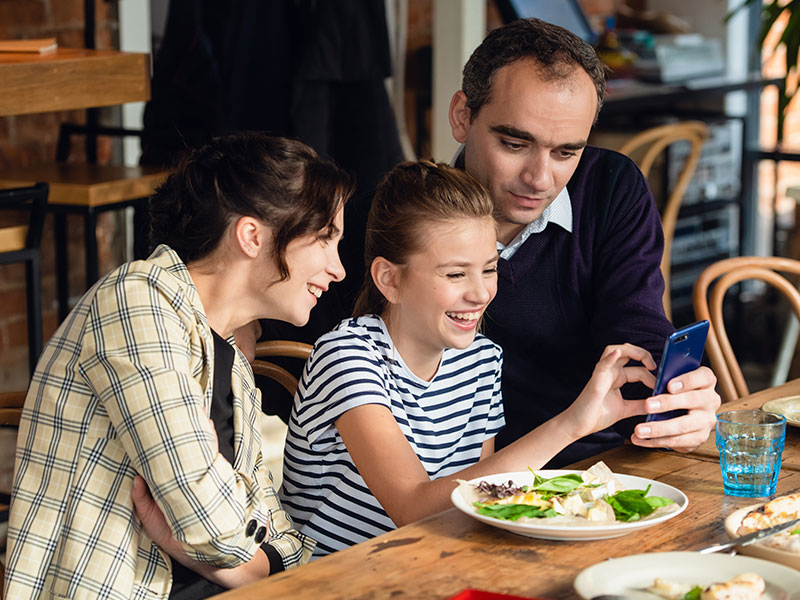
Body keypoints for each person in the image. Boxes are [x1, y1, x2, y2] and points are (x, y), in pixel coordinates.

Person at [4, 133, 354, 600]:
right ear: (252, 236)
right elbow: (208, 519)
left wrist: (224, 554)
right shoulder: (135, 300)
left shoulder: (232, 366)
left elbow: (285, 545)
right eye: (326, 240)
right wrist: (228, 543)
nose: (338, 269)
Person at [279, 160, 658, 556]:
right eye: (456, 275)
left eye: (489, 269)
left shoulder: (480, 358)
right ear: (389, 280)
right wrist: (572, 424)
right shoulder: (347, 356)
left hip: (431, 565)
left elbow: (484, 498)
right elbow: (413, 507)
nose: (480, 293)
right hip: (330, 580)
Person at [447, 18, 720, 466]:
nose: (539, 179)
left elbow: (636, 325)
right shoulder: (394, 221)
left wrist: (676, 401)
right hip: (457, 488)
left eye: (565, 152)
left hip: (602, 467)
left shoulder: (611, 186)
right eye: (515, 144)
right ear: (463, 116)